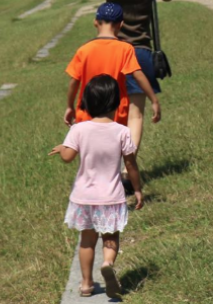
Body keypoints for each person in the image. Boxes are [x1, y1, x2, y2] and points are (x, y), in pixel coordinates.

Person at [50, 75, 144, 299]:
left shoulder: (79, 129)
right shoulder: (122, 132)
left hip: (84, 197)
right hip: (111, 197)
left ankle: (85, 284)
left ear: (87, 103)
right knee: (110, 237)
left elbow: (68, 157)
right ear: (117, 103)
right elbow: (130, 165)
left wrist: (62, 147)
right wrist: (138, 190)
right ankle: (108, 263)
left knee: (87, 241)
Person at [97, 0, 174, 158]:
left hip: (110, 51)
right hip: (140, 52)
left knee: (108, 113)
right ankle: (127, 169)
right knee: (135, 115)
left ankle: (107, 163)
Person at [65, 2, 161, 129]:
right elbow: (138, 75)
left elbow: (74, 81)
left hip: (87, 114)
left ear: (95, 22)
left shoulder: (84, 50)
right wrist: (154, 100)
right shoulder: (125, 49)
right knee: (113, 148)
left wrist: (70, 106)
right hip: (115, 116)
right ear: (120, 24)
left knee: (88, 148)